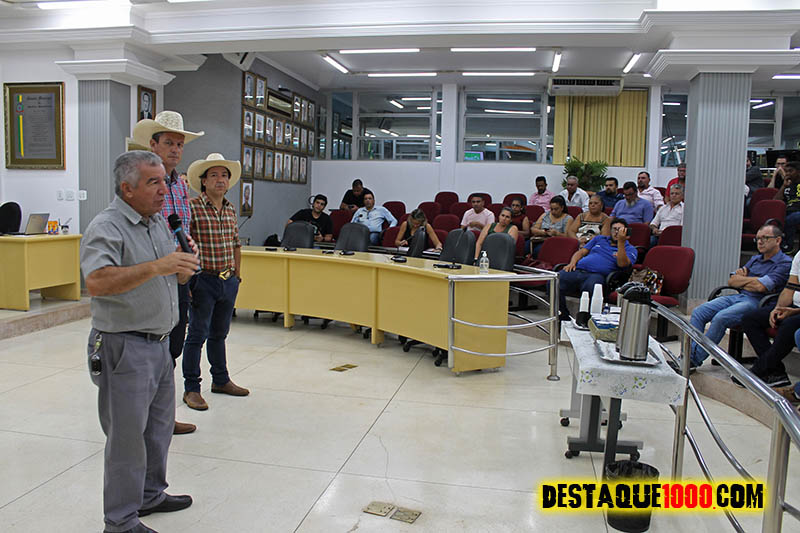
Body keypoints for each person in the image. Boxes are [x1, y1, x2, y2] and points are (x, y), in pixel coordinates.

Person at [80, 151, 200, 533]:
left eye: (164, 181)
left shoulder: (158, 223)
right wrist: (158, 266)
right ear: (127, 188)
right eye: (153, 182)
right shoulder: (107, 226)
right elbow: (96, 282)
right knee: (127, 439)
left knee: (158, 430)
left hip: (159, 344)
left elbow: (171, 277)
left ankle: (150, 494)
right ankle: (120, 521)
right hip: (124, 347)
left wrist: (182, 266)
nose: (164, 189)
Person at [132, 109, 204, 436]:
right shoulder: (141, 182)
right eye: (169, 143)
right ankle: (147, 417)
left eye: (179, 144)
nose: (175, 149)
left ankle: (163, 415)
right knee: (151, 348)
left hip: (180, 277)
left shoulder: (180, 185)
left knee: (172, 347)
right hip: (153, 275)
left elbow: (183, 228)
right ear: (153, 144)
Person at [182, 153, 249, 411]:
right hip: (203, 280)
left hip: (227, 280)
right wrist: (188, 281)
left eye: (224, 175)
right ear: (203, 181)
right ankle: (192, 388)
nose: (220, 180)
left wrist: (237, 276)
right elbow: (184, 245)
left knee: (219, 334)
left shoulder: (230, 208)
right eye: (214, 175)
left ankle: (221, 380)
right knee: (196, 335)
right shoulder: (193, 207)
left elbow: (235, 244)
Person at [688, 224, 791, 369]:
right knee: (699, 312)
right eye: (758, 239)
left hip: (759, 302)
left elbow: (762, 287)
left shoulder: (785, 263)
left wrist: (743, 281)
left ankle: (693, 360)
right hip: (739, 297)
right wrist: (753, 281)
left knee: (721, 318)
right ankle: (688, 356)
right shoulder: (755, 259)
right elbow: (732, 281)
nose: (760, 242)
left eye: (765, 238)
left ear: (778, 240)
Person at [739, 250, 800, 387]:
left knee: (788, 325)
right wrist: (778, 308)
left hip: (797, 312)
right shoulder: (799, 255)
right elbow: (790, 288)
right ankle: (776, 372)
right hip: (793, 306)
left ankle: (758, 370)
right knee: (750, 319)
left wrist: (793, 312)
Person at [557, 218, 637, 321]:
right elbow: (581, 252)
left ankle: (585, 320)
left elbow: (622, 264)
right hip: (578, 269)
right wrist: (572, 263)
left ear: (626, 232)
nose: (616, 232)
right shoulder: (599, 239)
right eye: (614, 229)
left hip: (597, 275)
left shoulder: (630, 249)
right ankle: (563, 315)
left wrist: (621, 242)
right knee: (554, 281)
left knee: (592, 288)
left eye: (620, 230)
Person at [775, 161, 800, 252]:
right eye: (786, 171)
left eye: (791, 171)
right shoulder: (787, 185)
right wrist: (784, 186)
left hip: (798, 211)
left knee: (792, 218)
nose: (788, 174)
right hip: (788, 211)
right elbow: (775, 201)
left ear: (798, 172)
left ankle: (788, 246)